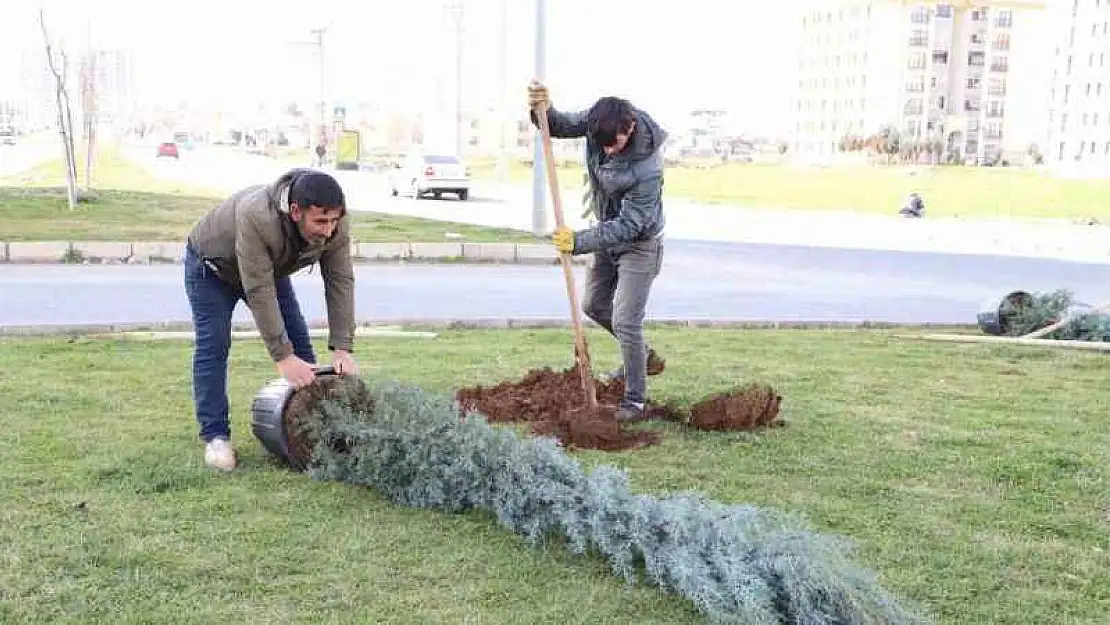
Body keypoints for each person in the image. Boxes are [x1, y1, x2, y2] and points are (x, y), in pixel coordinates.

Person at [184, 168, 358, 470]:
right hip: (212, 269)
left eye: (334, 221)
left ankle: (314, 428)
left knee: (302, 348)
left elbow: (340, 280)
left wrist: (342, 347)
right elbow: (258, 289)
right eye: (320, 221)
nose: (328, 230)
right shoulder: (257, 216)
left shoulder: (336, 225)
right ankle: (216, 437)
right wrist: (281, 355)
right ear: (295, 212)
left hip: (268, 268)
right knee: (215, 345)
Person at [527, 80, 667, 422]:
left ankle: (634, 401)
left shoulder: (648, 167)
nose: (607, 151)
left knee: (625, 320)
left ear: (630, 126)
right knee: (593, 305)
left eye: (615, 145)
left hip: (638, 243)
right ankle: (642, 356)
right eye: (601, 145)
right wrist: (541, 109)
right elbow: (557, 126)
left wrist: (579, 241)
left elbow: (630, 225)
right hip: (607, 236)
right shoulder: (598, 121)